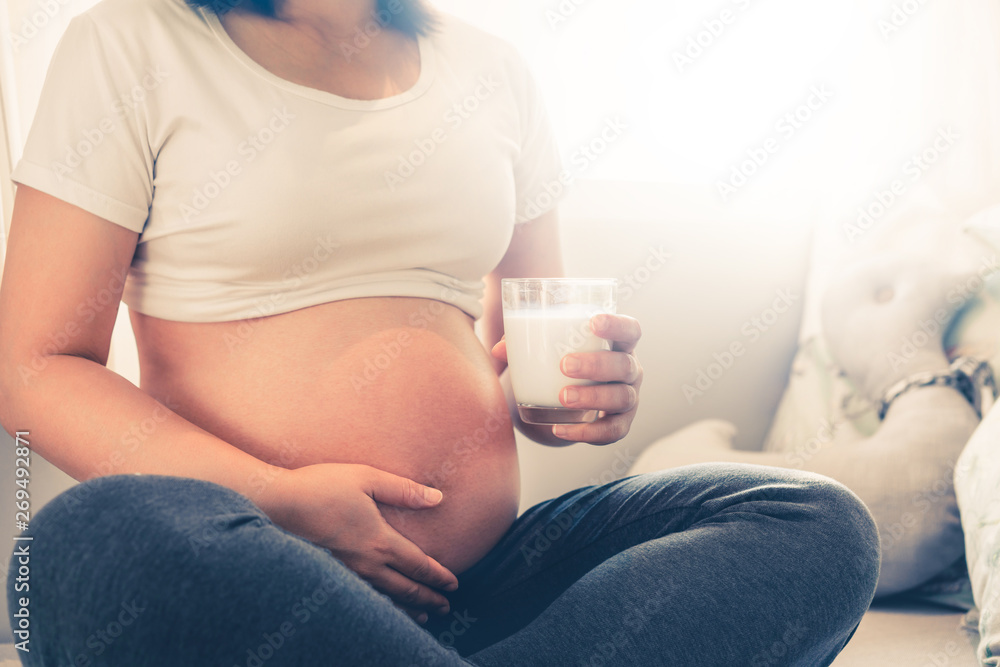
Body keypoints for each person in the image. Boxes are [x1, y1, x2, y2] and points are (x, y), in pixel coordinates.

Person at [0, 0, 880, 663]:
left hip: (494, 580)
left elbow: (540, 353)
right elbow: (30, 366)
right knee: (87, 544)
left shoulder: (492, 72)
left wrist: (587, 394)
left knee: (813, 518)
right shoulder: (134, 41)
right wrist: (277, 495)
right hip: (262, 562)